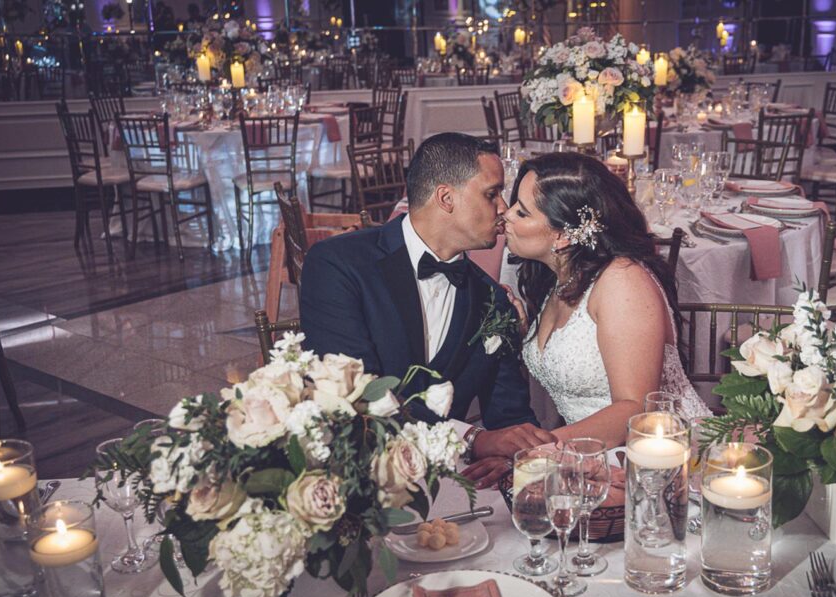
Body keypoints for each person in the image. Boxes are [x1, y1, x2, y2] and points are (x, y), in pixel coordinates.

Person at [299, 133, 554, 485]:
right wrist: (471, 438)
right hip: (345, 475)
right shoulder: (339, 264)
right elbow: (355, 393)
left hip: (444, 483)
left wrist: (519, 457)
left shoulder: (493, 301)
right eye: (492, 193)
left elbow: (509, 417)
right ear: (446, 198)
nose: (504, 210)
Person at [503, 152, 710, 448]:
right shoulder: (559, 278)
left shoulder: (622, 282)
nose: (506, 214)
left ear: (562, 236)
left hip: (665, 453)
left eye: (522, 212)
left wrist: (540, 446)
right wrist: (524, 332)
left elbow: (636, 409)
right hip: (595, 456)